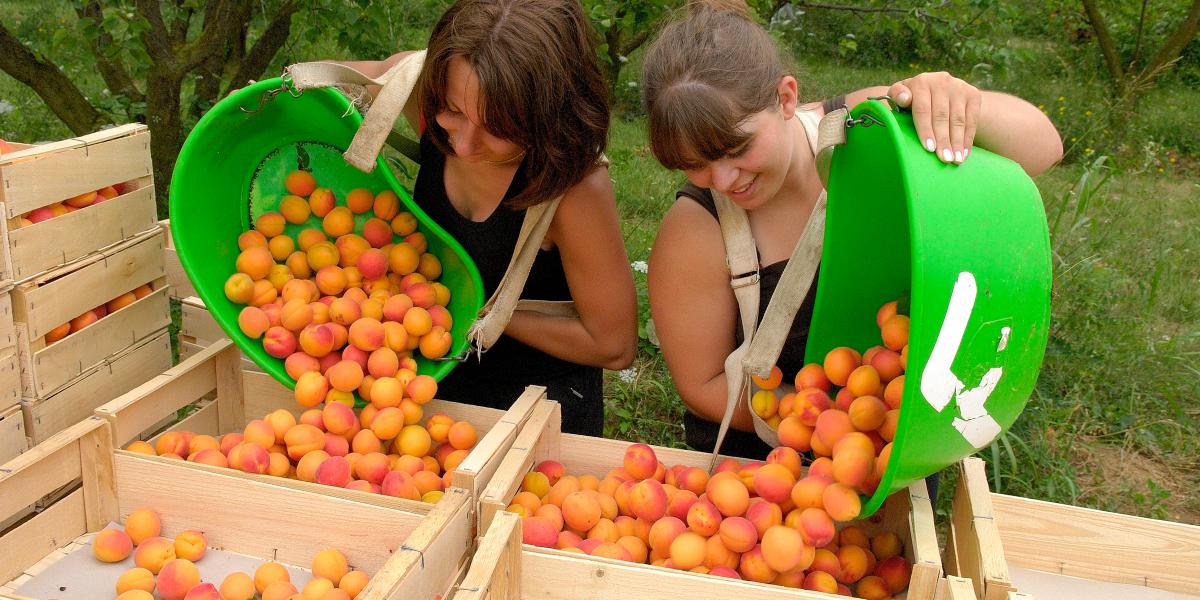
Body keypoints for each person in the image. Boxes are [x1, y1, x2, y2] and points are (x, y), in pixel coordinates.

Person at [643, 0, 1063, 459]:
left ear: (785, 98)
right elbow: (703, 386)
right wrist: (833, 426)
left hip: (898, 446)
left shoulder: (868, 128)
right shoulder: (696, 231)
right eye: (694, 164)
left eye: (736, 147)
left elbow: (1044, 148)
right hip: (767, 470)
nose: (724, 180)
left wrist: (955, 105)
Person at [336, 0, 637, 435]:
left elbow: (614, 345)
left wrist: (474, 313)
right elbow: (325, 82)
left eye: (498, 127)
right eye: (453, 112)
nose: (462, 146)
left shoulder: (572, 189)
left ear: (548, 120)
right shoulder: (425, 88)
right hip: (419, 389)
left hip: (530, 407)